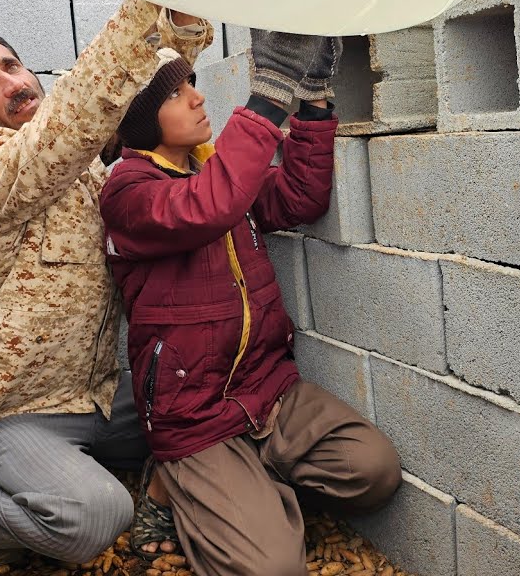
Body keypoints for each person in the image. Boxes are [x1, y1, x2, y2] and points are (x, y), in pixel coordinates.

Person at [0, 0, 213, 565]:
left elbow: (141, 94)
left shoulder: (87, 157)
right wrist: (141, 2)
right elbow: (69, 125)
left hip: (101, 397)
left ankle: (59, 477)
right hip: (20, 409)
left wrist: (178, 17)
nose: (11, 82)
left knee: (207, 415)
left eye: (11, 65)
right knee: (98, 518)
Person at [98, 32, 402, 576]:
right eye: (174, 94)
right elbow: (207, 208)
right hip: (194, 414)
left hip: (267, 391)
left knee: (373, 471)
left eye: (193, 83)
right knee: (272, 570)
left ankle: (245, 483)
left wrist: (312, 95)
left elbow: (300, 198)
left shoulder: (210, 170)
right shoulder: (128, 191)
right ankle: (171, 486)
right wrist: (267, 91)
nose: (196, 98)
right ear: (141, 119)